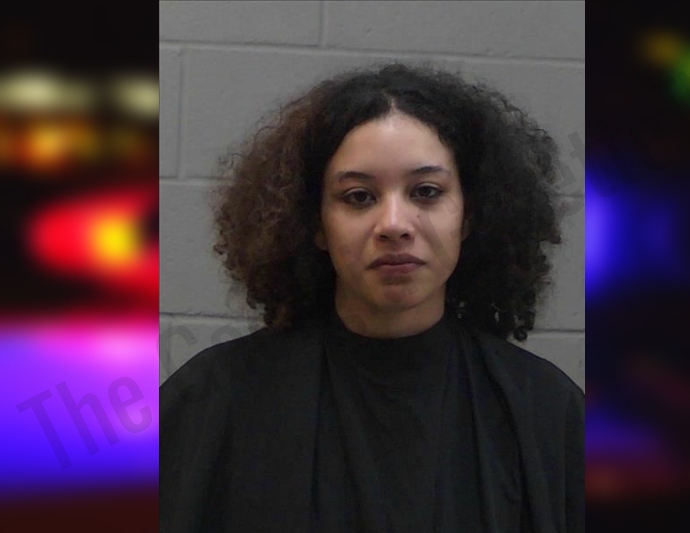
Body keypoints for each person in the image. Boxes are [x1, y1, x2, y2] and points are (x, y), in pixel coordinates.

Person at [160, 62, 583, 532]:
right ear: (316, 224)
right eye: (359, 197)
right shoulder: (212, 401)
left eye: (426, 192)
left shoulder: (546, 411)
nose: (394, 225)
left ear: (468, 216)